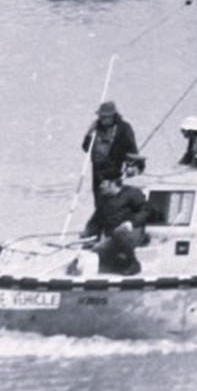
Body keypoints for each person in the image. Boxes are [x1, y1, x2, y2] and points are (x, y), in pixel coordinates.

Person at [82, 101, 138, 237]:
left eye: (105, 117)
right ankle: (99, 232)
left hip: (113, 170)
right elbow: (85, 148)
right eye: (101, 116)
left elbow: (132, 148)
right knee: (99, 202)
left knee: (110, 203)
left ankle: (100, 232)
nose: (102, 119)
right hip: (97, 171)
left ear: (113, 116)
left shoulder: (123, 128)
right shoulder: (96, 128)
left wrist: (133, 165)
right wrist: (89, 133)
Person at [91, 170, 150, 275]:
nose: (100, 186)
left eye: (103, 183)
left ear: (112, 183)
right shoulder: (104, 199)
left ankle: (134, 263)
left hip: (132, 231)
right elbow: (97, 218)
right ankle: (116, 262)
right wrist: (88, 233)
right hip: (112, 235)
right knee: (96, 250)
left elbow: (145, 211)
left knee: (120, 232)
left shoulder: (132, 194)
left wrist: (131, 222)